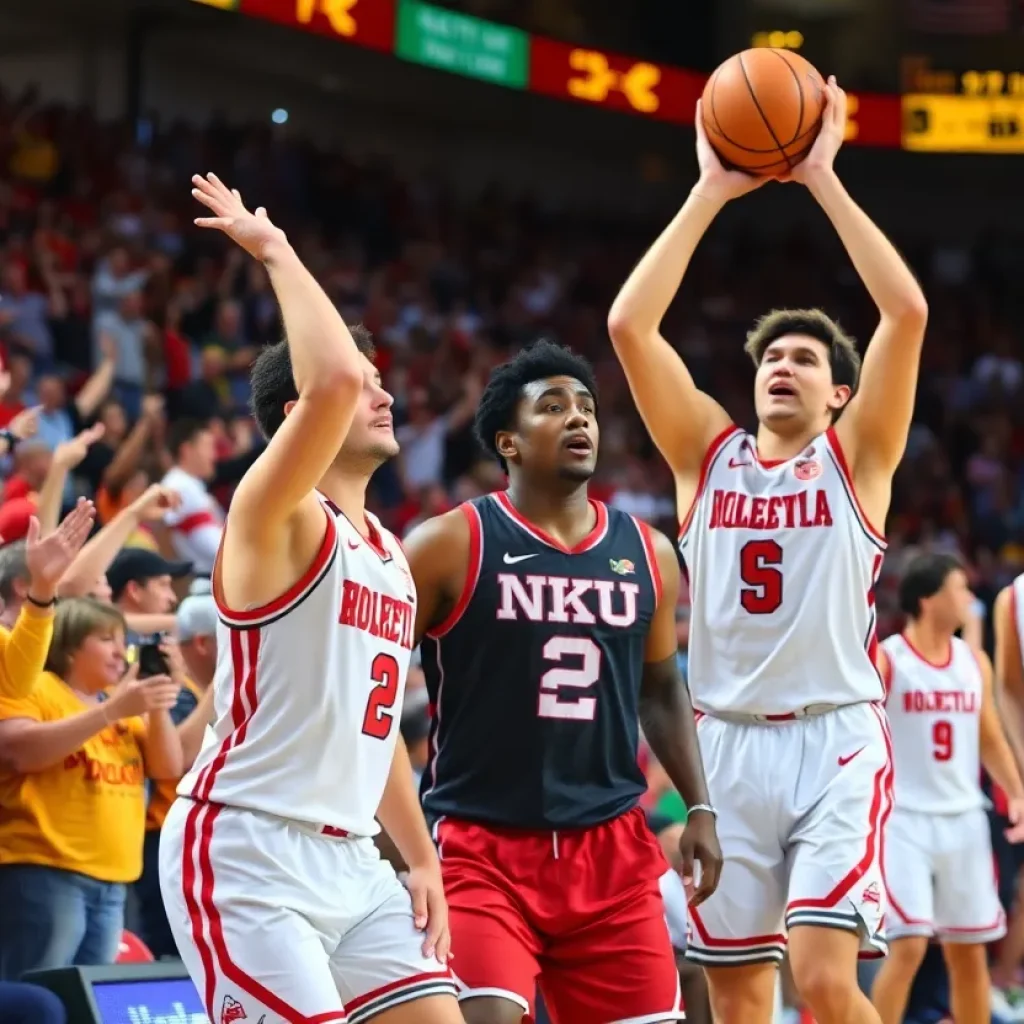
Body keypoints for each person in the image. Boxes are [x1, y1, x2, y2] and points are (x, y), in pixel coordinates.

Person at [606, 79, 928, 1024]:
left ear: (839, 395)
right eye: (770, 358)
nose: (783, 367)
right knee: (740, 999)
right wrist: (708, 191)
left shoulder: (857, 458)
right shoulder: (705, 455)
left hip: (834, 740)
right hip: (725, 746)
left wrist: (822, 175)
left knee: (825, 982)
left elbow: (904, 315)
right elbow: (630, 327)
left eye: (806, 361)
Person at [157, 174, 459, 1024]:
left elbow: (377, 731)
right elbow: (327, 382)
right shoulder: (275, 517)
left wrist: (421, 857)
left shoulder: (392, 555)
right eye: (370, 383)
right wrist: (276, 251)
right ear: (301, 415)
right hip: (247, 849)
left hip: (354, 862)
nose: (386, 394)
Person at [404, 341, 721, 1024]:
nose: (580, 419)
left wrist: (699, 807)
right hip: (483, 848)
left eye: (587, 407)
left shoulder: (649, 552)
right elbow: (364, 674)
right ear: (508, 442)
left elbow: (662, 689)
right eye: (553, 407)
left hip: (610, 847)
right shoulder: (449, 543)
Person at [870, 553, 1024, 1024]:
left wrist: (1017, 793)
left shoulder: (973, 661)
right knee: (909, 945)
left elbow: (990, 739)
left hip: (964, 819)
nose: (968, 599)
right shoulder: (887, 660)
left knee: (968, 951)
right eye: (960, 589)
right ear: (928, 598)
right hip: (905, 820)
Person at [0, 598, 182, 980]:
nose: (122, 651)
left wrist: (159, 703)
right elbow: (20, 751)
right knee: (36, 993)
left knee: (87, 1000)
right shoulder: (37, 687)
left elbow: (167, 767)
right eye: (106, 639)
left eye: (123, 640)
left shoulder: (115, 705)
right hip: (45, 869)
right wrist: (110, 712)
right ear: (68, 645)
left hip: (112, 879)